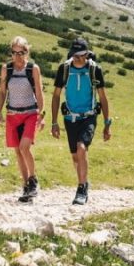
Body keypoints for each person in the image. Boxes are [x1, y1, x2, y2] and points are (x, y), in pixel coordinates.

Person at [51, 37, 110, 206]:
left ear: (87, 54)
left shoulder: (94, 70)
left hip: (89, 116)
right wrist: (54, 122)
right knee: (76, 157)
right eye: (75, 55)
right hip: (70, 118)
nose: (78, 59)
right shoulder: (64, 69)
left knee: (82, 148)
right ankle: (84, 180)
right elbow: (55, 96)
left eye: (81, 55)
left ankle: (81, 188)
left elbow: (103, 97)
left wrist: (107, 124)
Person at [0, 35, 45, 203]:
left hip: (30, 113)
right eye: (14, 52)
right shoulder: (6, 69)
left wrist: (41, 114)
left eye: (21, 52)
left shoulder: (33, 69)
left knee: (24, 148)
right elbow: (3, 92)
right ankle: (26, 186)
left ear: (27, 53)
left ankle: (33, 180)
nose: (17, 56)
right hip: (12, 115)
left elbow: (39, 92)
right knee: (17, 151)